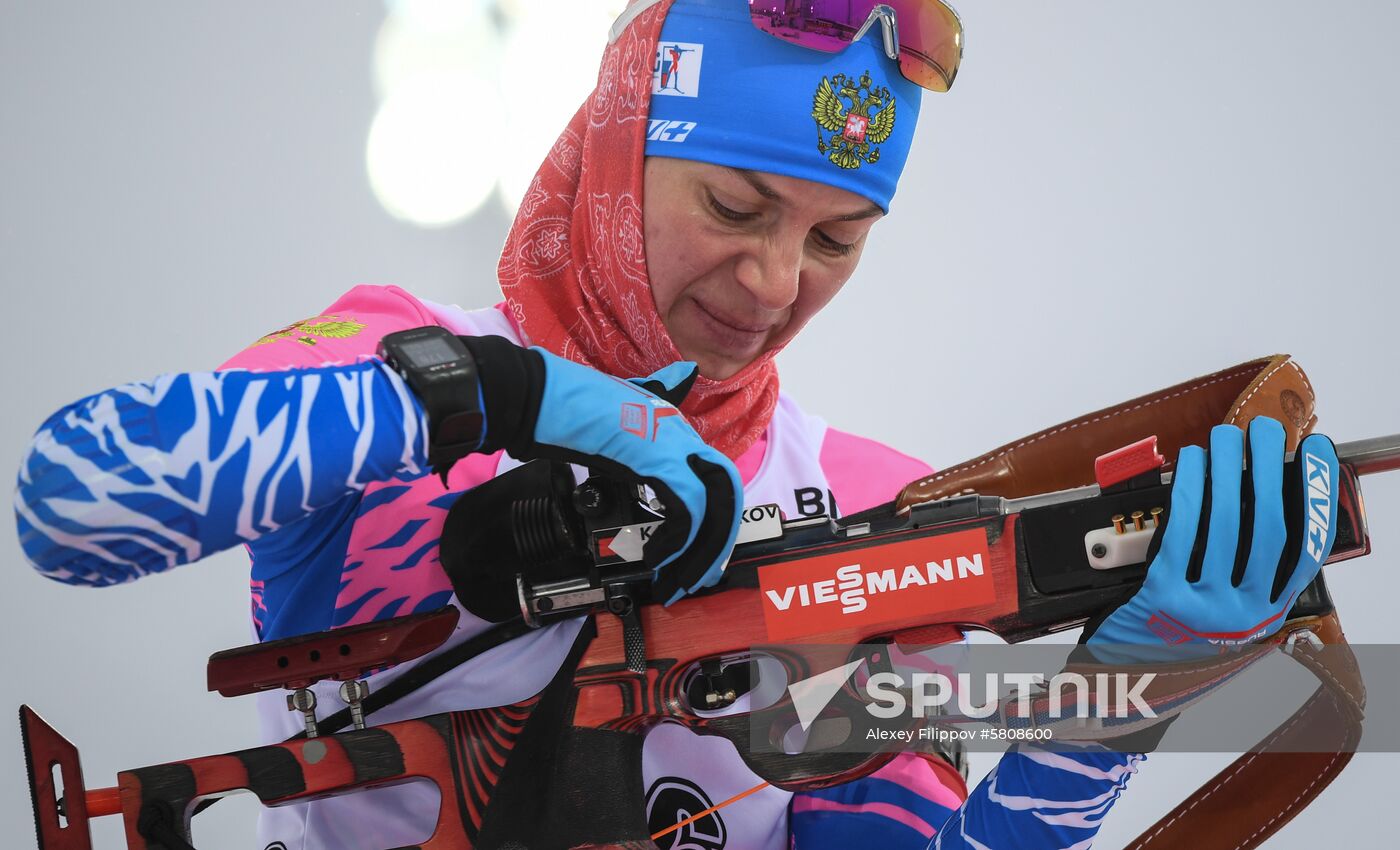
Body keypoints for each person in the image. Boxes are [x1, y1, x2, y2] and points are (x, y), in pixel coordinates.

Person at [13, 1, 1339, 848]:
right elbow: (66, 501)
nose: (774, 285)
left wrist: (1116, 706)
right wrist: (531, 398)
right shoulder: (388, 360)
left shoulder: (870, 500)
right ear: (615, 147)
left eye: (837, 238)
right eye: (734, 206)